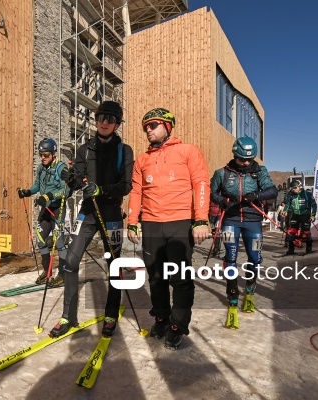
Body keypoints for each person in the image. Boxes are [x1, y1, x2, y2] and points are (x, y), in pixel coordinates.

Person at [49, 100, 134, 339]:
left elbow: (125, 186)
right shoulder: (84, 149)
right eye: (100, 117)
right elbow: (78, 181)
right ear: (95, 120)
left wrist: (102, 190)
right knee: (70, 262)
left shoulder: (123, 151)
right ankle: (68, 316)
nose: (104, 122)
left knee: (114, 266)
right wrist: (69, 178)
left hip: (111, 214)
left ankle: (110, 313)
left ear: (117, 123)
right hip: (87, 213)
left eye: (110, 118)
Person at [127, 107, 210, 350]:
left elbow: (201, 184)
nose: (148, 130)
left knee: (181, 279)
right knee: (156, 278)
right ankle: (162, 319)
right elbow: (136, 192)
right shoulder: (142, 160)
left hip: (180, 222)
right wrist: (132, 221)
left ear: (168, 125)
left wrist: (201, 219)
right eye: (145, 127)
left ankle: (178, 325)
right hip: (151, 224)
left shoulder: (188, 151)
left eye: (152, 125)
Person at [210, 136, 277, 320]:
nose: (246, 163)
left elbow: (272, 191)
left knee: (254, 259)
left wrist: (255, 195)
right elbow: (212, 194)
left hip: (252, 221)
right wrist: (222, 201)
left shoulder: (259, 172)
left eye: (250, 159)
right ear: (234, 154)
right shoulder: (222, 173)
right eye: (242, 159)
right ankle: (232, 297)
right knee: (230, 259)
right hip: (231, 220)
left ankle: (250, 292)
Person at [17, 138, 71, 287]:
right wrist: (27, 192)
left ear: (53, 153)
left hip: (57, 208)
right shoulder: (41, 168)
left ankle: (62, 273)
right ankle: (47, 272)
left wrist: (49, 196)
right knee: (41, 240)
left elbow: (67, 190)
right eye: (41, 154)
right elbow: (37, 185)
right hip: (45, 209)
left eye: (46, 154)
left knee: (59, 242)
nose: (43, 157)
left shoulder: (61, 168)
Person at [282, 179, 317, 255]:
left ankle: (309, 249)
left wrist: (313, 215)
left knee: (306, 233)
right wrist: (285, 211)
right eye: (291, 188)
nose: (293, 190)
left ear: (299, 187)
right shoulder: (291, 195)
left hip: (305, 214)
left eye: (294, 188)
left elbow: (314, 205)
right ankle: (291, 250)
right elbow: (287, 204)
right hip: (295, 214)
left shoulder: (307, 194)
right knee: (292, 232)